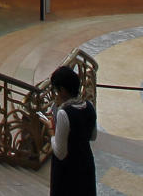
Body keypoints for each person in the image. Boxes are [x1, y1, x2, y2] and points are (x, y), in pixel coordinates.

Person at [48, 65, 97, 196]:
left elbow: (60, 153)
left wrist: (51, 131)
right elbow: (93, 136)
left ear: (62, 90)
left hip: (67, 172)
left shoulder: (64, 113)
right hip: (85, 164)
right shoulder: (89, 106)